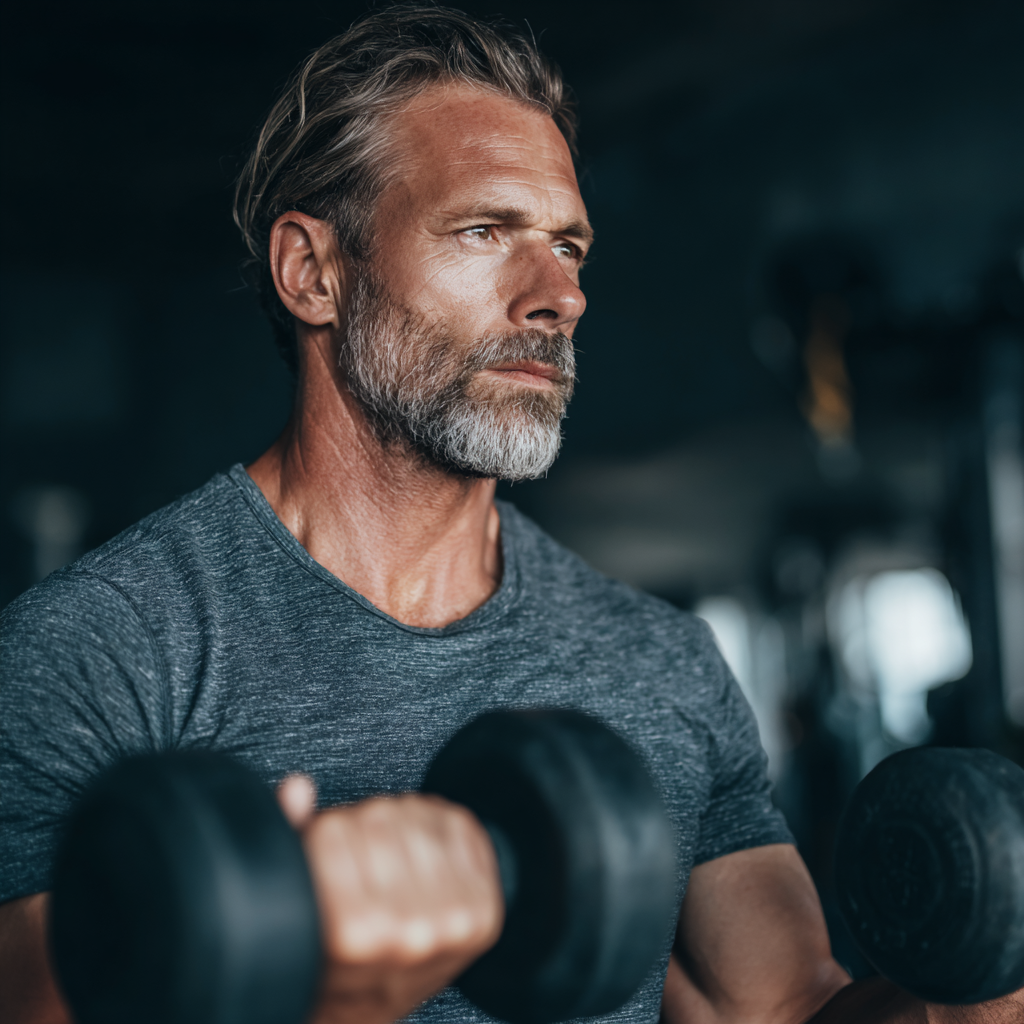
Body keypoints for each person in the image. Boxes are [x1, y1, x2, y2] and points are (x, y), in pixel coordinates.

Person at [0, 7, 1020, 1024]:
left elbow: (787, 1007)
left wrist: (973, 982)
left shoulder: (659, 665)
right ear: (314, 273)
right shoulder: (103, 651)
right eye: (485, 231)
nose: (558, 296)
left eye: (568, 247)